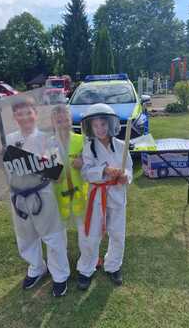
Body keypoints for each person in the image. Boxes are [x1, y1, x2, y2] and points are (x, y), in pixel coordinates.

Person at [0, 95, 70, 297]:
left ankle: (60, 275)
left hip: (42, 194)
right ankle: (36, 267)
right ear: (14, 117)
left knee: (53, 236)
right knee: (26, 237)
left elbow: (57, 171)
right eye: (19, 114)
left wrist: (37, 162)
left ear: (35, 114)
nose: (25, 117)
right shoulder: (7, 139)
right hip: (18, 196)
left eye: (28, 112)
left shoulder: (47, 139)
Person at [76, 104, 133, 290]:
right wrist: (105, 170)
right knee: (91, 235)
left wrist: (126, 176)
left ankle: (113, 265)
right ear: (90, 128)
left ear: (110, 124)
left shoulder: (121, 146)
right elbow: (85, 172)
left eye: (103, 124)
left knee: (117, 233)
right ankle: (86, 268)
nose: (100, 129)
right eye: (95, 126)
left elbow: (129, 169)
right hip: (96, 197)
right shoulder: (88, 147)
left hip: (117, 195)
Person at [50, 104, 87, 222]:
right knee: (61, 222)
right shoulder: (49, 144)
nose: (64, 124)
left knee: (83, 222)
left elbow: (91, 162)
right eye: (59, 121)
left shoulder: (81, 140)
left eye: (67, 120)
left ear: (71, 120)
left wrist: (82, 162)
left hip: (80, 192)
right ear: (53, 123)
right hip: (60, 193)